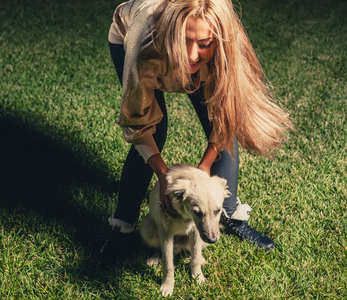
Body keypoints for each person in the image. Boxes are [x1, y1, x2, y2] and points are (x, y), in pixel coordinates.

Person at [99, 0, 292, 261]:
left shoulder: (226, 46)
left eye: (203, 44)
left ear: (220, 41)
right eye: (185, 40)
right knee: (155, 131)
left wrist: (206, 165)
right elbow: (138, 121)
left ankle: (228, 212)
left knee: (221, 126)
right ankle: (122, 227)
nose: (191, 55)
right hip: (142, 43)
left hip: (188, 50)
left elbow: (225, 119)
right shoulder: (144, 42)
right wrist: (164, 176)